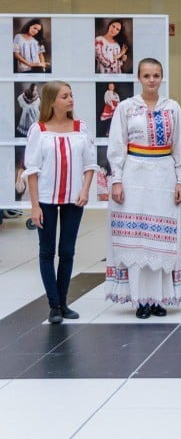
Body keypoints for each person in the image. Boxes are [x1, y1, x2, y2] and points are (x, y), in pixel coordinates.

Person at [105, 58, 181, 318]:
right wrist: (117, 179)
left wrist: (180, 179)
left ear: (161, 77)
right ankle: (140, 299)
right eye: (146, 75)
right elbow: (117, 144)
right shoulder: (126, 107)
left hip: (163, 174)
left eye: (156, 75)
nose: (151, 80)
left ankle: (159, 298)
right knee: (137, 238)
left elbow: (180, 146)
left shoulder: (172, 107)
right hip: (134, 173)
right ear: (139, 78)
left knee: (162, 238)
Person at [23, 81, 97, 324]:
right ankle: (53, 305)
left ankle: (64, 302)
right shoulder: (39, 130)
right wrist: (35, 206)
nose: (71, 99)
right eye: (65, 96)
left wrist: (85, 190)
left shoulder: (81, 127)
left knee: (67, 252)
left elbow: (89, 164)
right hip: (45, 199)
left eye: (71, 95)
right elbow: (32, 171)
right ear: (52, 101)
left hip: (74, 199)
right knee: (47, 252)